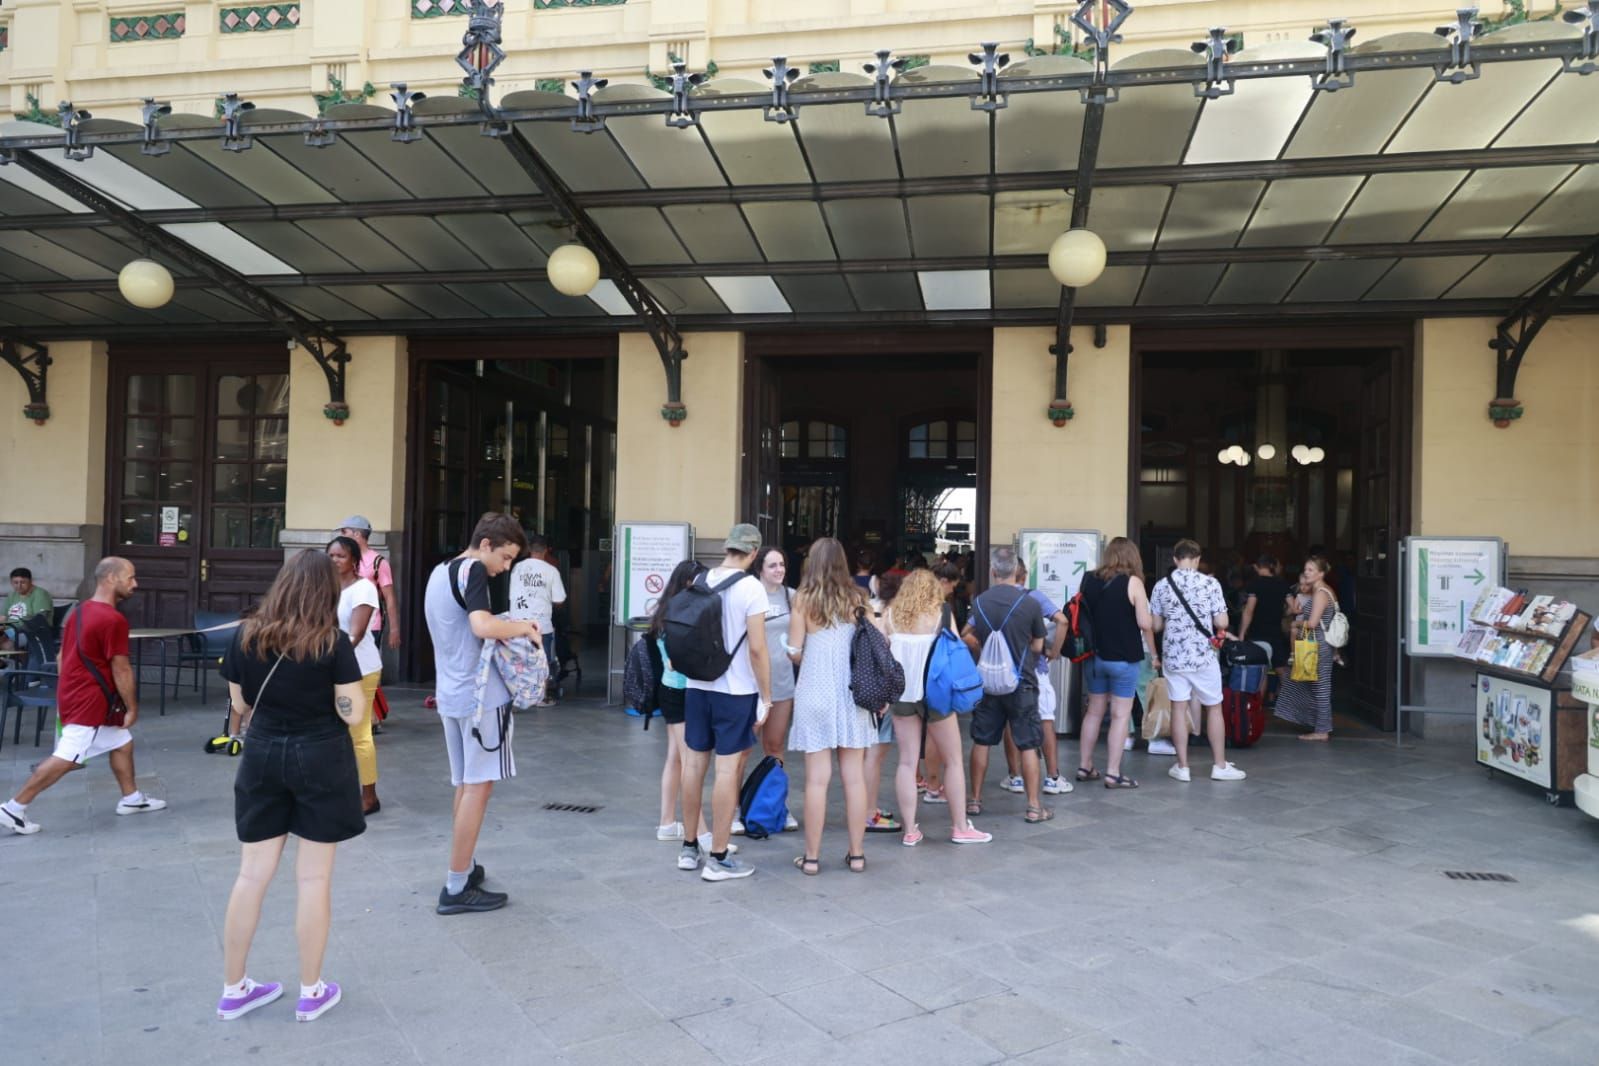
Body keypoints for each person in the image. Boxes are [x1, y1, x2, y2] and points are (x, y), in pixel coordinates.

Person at [215, 550, 367, 1023]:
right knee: (313, 878)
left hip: (262, 754)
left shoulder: (247, 635)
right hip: (320, 754)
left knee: (251, 875)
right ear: (326, 591)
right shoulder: (332, 642)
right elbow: (354, 712)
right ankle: (310, 990)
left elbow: (238, 700)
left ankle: (234, 988)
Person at [423, 512, 542, 914]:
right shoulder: (472, 569)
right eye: (506, 558)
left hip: (451, 692)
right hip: (479, 697)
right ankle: (457, 886)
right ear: (486, 544)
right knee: (478, 786)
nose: (504, 568)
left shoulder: (440, 571)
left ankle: (465, 867)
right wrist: (523, 627)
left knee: (465, 783)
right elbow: (481, 626)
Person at [2, 558, 164, 836]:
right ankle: (14, 807)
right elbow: (121, 668)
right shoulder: (113, 619)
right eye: (130, 577)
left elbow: (62, 656)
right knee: (69, 756)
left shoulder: (80, 611)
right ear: (111, 579)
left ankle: (131, 799)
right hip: (89, 699)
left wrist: (69, 689)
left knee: (122, 742)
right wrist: (131, 707)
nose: (134, 584)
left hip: (76, 693)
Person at [678, 523, 771, 881]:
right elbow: (758, 650)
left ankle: (689, 847)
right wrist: (767, 697)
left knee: (693, 766)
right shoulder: (751, 588)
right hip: (736, 691)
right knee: (727, 770)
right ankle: (718, 856)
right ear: (753, 553)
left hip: (697, 686)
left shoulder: (701, 580)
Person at [786, 537, 878, 874]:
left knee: (816, 781)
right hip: (853, 693)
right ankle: (856, 855)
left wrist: (792, 648)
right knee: (854, 779)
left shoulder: (802, 599)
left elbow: (795, 651)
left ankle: (811, 858)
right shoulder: (859, 599)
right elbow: (877, 640)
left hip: (814, 691)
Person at [882, 569, 991, 846]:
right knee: (953, 760)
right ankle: (959, 827)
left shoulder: (891, 614)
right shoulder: (941, 612)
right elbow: (955, 647)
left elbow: (882, 650)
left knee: (906, 761)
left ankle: (909, 831)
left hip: (902, 694)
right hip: (937, 693)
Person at [963, 547, 1050, 823]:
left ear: (992, 571)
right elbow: (1037, 644)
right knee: (1027, 743)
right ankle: (1034, 806)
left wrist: (980, 646)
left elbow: (966, 633)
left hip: (987, 682)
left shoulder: (980, 602)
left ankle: (974, 800)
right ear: (1017, 571)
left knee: (982, 740)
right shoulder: (1030, 604)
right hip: (1022, 681)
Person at [1149, 540, 1247, 783]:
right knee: (1213, 708)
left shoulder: (1162, 586)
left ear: (1175, 559)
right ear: (1197, 558)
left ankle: (1182, 767)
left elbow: (1156, 625)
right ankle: (1220, 766)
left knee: (1178, 708)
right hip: (1203, 656)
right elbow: (1222, 623)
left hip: (1174, 657)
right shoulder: (1210, 583)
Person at [651, 559, 721, 849]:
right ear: (686, 583)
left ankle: (668, 823)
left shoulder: (666, 609)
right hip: (680, 690)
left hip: (671, 689)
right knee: (690, 762)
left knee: (676, 758)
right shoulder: (681, 612)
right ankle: (702, 833)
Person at [1076, 537, 1157, 788]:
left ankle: (1085, 766)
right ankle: (1112, 773)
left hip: (1094, 657)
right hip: (1123, 659)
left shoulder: (1088, 579)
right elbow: (1145, 624)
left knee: (1093, 712)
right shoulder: (1133, 582)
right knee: (1120, 715)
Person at [1008, 559, 1073, 796]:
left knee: (1011, 720)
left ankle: (1014, 776)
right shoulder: (1034, 597)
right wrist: (1054, 652)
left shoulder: (993, 597)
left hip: (1006, 669)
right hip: (1035, 668)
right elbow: (1062, 620)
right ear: (1024, 576)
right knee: (1045, 719)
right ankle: (1052, 777)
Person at [327, 536, 382, 815]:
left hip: (359, 669)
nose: (335, 560)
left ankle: (369, 796)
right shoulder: (327, 588)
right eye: (332, 555)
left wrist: (329, 660)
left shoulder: (364, 589)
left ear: (354, 560)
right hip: (332, 669)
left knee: (359, 734)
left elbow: (356, 634)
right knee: (336, 732)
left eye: (341, 556)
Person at [750, 546, 801, 832]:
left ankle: (776, 803)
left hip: (781, 682)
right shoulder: (749, 593)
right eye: (772, 565)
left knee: (775, 746)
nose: (779, 570)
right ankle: (734, 808)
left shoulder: (791, 597)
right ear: (760, 568)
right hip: (750, 684)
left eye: (782, 564)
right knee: (742, 749)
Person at [1275, 556, 1340, 742]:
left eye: (1311, 570)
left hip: (1317, 644)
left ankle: (1321, 730)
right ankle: (1319, 725)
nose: (1306, 573)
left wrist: (1296, 623)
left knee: (1319, 687)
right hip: (1320, 644)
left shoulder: (1320, 592)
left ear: (1321, 573)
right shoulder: (1325, 590)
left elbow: (1312, 623)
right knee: (1309, 683)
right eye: (1306, 569)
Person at [862, 571, 902, 835]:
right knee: (875, 755)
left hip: (865, 687)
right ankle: (868, 812)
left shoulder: (869, 609)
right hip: (883, 690)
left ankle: (866, 808)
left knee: (870, 752)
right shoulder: (894, 614)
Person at [508, 533, 566, 708]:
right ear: (547, 550)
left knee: (518, 660)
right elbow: (559, 600)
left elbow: (512, 595)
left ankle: (516, 696)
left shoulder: (517, 568)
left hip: (517, 623)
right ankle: (540, 698)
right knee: (542, 663)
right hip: (541, 626)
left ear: (528, 549)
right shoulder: (551, 571)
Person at [335, 517, 399, 652]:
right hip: (343, 622)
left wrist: (394, 629)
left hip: (371, 625)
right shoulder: (343, 560)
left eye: (344, 532)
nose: (341, 536)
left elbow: (389, 597)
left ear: (357, 534)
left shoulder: (378, 562)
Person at [1238, 554, 1293, 703]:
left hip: (1258, 633)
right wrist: (1281, 613)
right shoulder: (1283, 584)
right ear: (1272, 566)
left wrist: (1242, 633)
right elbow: (1293, 608)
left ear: (1257, 567)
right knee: (1281, 667)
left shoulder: (1254, 585)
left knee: (1260, 670)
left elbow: (1249, 610)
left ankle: (1258, 707)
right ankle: (1289, 702)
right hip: (1276, 632)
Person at [1, 566, 53, 651]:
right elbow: (3, 617)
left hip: (31, 633)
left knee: (5, 644)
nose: (19, 586)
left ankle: (19, 662)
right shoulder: (12, 595)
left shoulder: (40, 594)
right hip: (9, 631)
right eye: (15, 583)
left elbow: (39, 619)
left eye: (23, 582)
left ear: (31, 581)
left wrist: (13, 632)